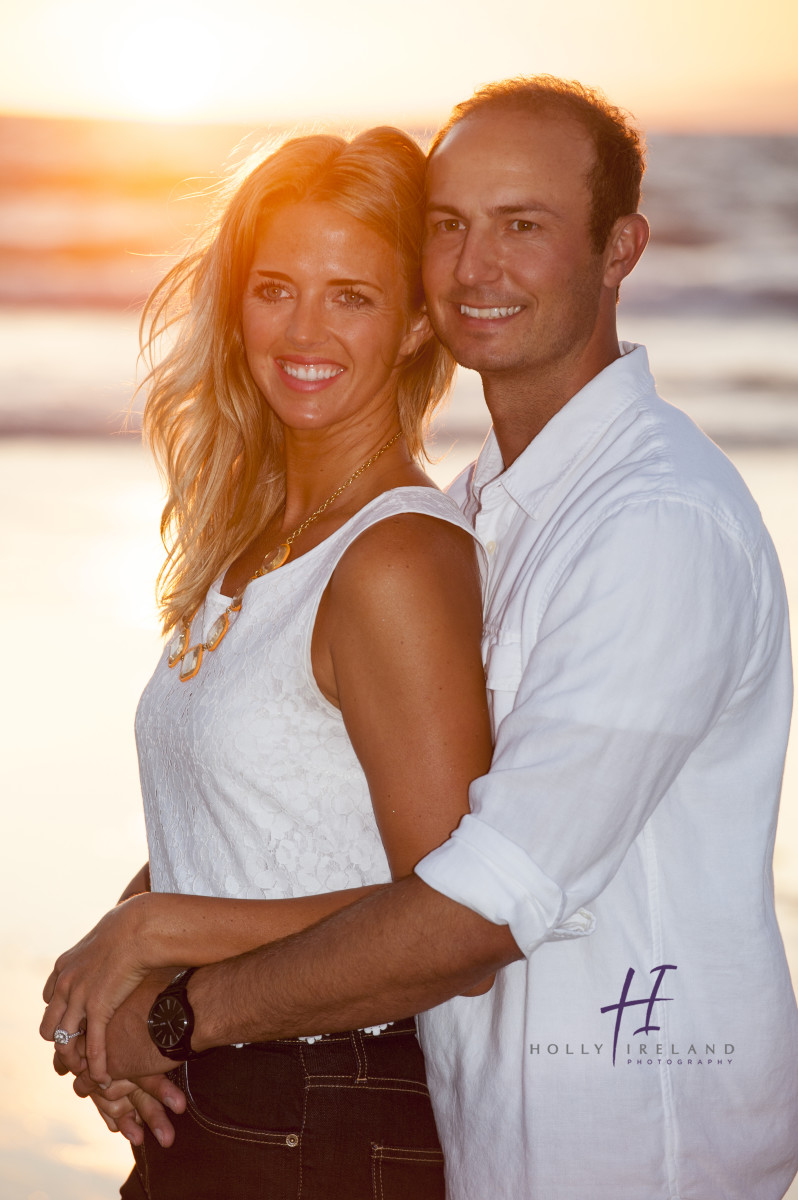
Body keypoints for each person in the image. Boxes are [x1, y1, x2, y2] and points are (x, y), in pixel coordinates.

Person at [49, 76, 798, 1199]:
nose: (475, 266)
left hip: (633, 1151)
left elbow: (477, 903)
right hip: (470, 1131)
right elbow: (312, 809)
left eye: (523, 226)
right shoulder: (492, 504)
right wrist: (122, 971)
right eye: (449, 225)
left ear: (620, 248)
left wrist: (173, 1002)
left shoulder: (653, 526)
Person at [40, 126, 494, 1199]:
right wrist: (119, 989)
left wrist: (157, 934)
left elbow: (452, 913)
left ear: (417, 319)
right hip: (232, 1093)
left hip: (328, 1107)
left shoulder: (396, 557)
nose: (304, 331)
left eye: (352, 295)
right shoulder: (255, 545)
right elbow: (261, 825)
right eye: (275, 289)